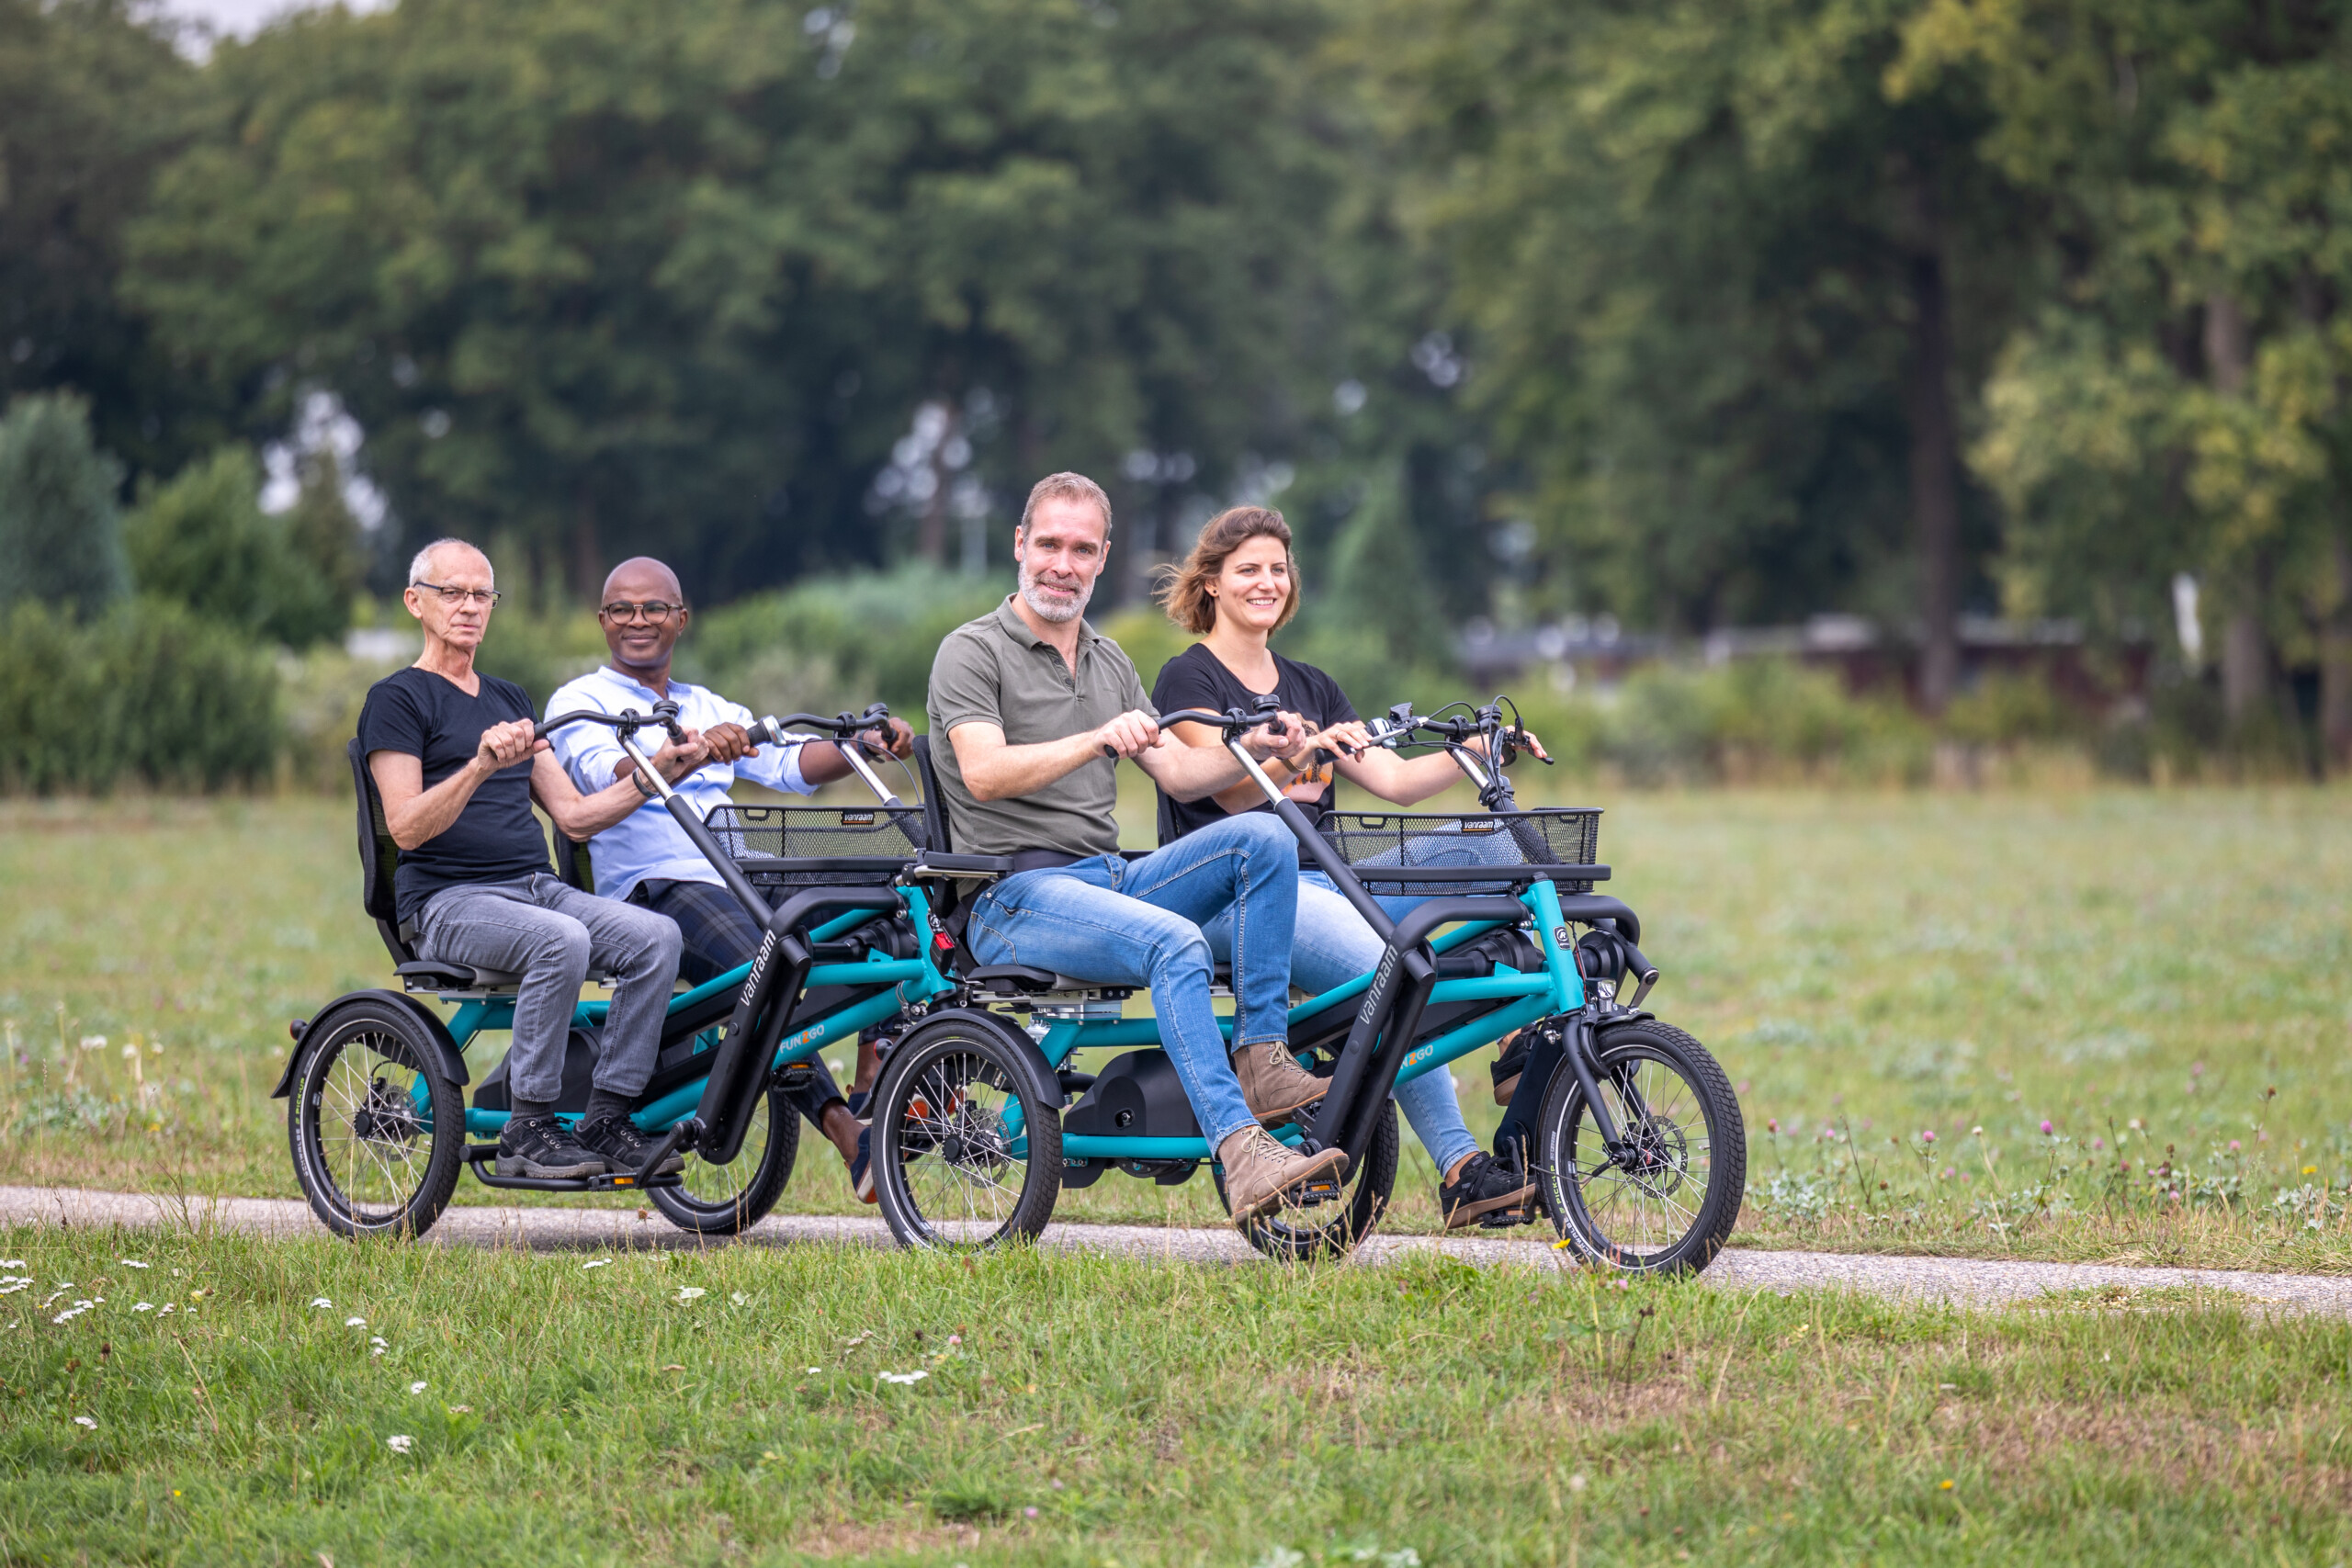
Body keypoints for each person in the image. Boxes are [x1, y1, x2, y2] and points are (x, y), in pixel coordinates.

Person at [925, 472, 1348, 1224]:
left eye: (1082, 550)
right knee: (1176, 942)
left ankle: (1262, 1058)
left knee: (1264, 835)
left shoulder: (1110, 660)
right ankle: (1242, 1154)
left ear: (1103, 557)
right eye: (1049, 544)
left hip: (1107, 878)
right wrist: (1093, 739)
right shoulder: (971, 650)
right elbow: (983, 773)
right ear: (1020, 545)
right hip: (1010, 895)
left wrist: (1254, 749)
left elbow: (1181, 772)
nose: (1063, 564)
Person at [1149, 505, 1544, 1228]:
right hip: (1241, 898)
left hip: (1330, 882)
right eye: (1247, 569)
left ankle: (1521, 1032)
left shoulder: (1311, 683)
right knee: (1396, 969)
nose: (1267, 582)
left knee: (1494, 842)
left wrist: (1479, 751)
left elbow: (1395, 780)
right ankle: (1461, 1167)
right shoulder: (1188, 677)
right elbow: (1226, 789)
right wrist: (1299, 751)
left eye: (1277, 569)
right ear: (1211, 583)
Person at [546, 556, 916, 1199]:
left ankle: (872, 1079)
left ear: (681, 619)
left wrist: (862, 745)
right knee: (764, 972)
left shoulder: (708, 702)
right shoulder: (582, 701)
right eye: (623, 609)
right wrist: (689, 753)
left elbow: (791, 764)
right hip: (658, 889)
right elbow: (609, 771)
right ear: (603, 620)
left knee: (890, 898)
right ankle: (846, 1134)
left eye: (655, 608)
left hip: (739, 872)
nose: (638, 620)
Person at [357, 539, 705, 1181]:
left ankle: (608, 1116)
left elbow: (574, 815)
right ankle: (529, 1126)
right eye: (451, 592)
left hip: (535, 889)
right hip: (448, 902)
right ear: (415, 602)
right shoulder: (398, 698)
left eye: (481, 594)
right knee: (561, 940)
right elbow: (405, 827)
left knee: (658, 938)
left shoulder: (510, 698)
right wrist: (479, 766)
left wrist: (657, 774)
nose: (469, 607)